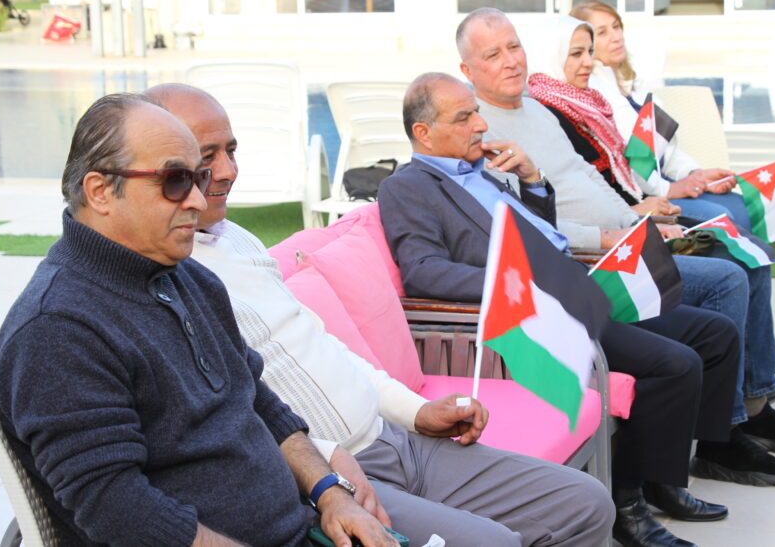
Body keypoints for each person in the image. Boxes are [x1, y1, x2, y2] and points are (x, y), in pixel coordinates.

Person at [144, 83, 616, 547]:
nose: (228, 171)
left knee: (587, 503)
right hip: (327, 477)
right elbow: (218, 426)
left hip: (394, 437)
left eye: (231, 151)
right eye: (206, 157)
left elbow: (322, 344)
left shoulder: (235, 239)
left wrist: (416, 411)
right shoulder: (161, 281)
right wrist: (322, 470)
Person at [0, 94, 395, 547]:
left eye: (197, 179)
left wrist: (331, 493)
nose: (199, 200)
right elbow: (116, 508)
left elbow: (259, 402)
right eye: (176, 181)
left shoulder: (187, 279)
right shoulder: (58, 330)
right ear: (100, 191)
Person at [455, 8, 775, 487]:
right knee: (727, 277)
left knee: (741, 252)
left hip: (625, 236)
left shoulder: (536, 109)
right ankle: (724, 436)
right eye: (493, 54)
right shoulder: (480, 131)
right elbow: (526, 225)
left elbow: (587, 177)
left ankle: (753, 403)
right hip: (593, 259)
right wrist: (611, 237)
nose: (510, 61)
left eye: (514, 47)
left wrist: (638, 221)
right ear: (467, 70)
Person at [380, 71, 743, 547]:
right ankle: (628, 507)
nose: (480, 125)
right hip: (547, 306)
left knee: (716, 335)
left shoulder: (480, 170)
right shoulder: (409, 187)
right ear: (423, 133)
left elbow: (542, 231)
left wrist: (531, 179)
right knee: (676, 364)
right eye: (464, 117)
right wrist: (518, 281)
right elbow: (423, 271)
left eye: (477, 113)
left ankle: (672, 475)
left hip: (580, 281)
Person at [570, 0, 751, 228]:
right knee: (720, 215)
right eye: (603, 32)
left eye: (616, 27)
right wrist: (672, 189)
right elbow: (629, 162)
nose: (616, 37)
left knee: (740, 206)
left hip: (665, 183)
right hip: (639, 196)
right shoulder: (592, 94)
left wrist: (696, 175)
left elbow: (666, 151)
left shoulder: (633, 86)